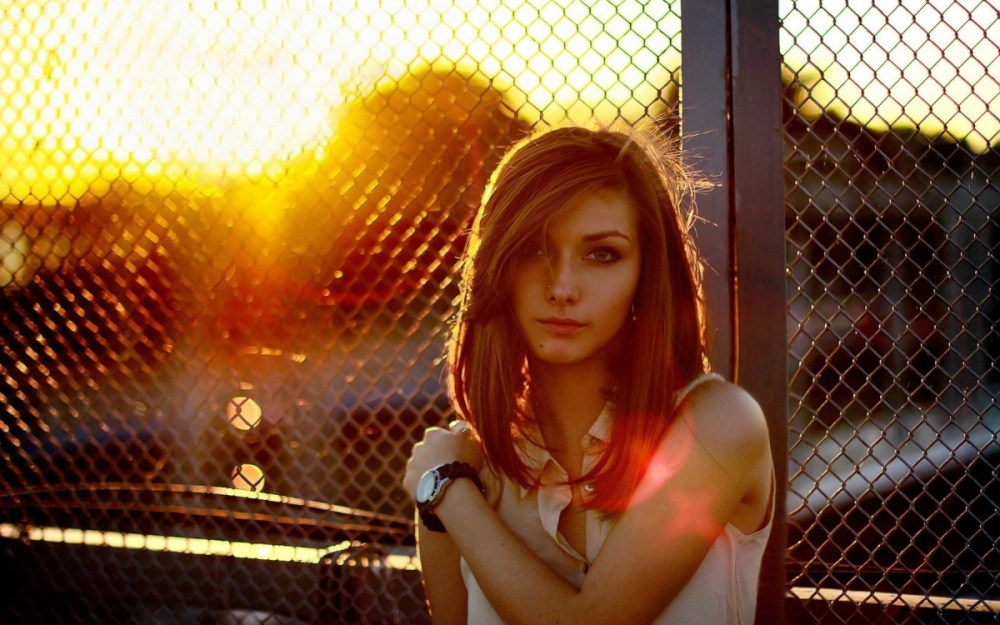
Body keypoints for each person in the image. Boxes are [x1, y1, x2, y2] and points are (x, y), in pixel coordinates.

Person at [402, 126, 774, 625]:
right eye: (533, 249)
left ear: (646, 273)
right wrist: (452, 490)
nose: (562, 287)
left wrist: (447, 493)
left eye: (601, 254)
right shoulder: (466, 466)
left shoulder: (719, 424)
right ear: (497, 264)